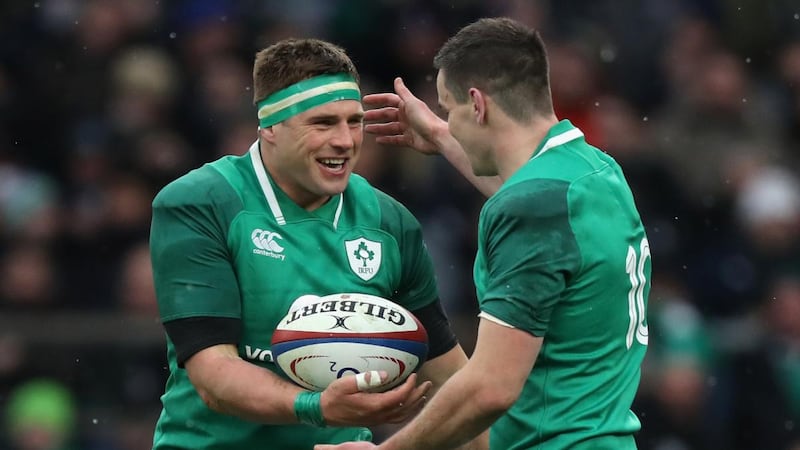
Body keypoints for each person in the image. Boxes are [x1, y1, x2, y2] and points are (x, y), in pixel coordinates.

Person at [317, 17, 651, 450]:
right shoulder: (597, 173)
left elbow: (491, 386)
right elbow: (536, 203)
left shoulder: (531, 207)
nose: (447, 122)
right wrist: (439, 135)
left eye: (448, 108)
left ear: (477, 104)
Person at [149, 37, 482, 449]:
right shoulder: (201, 202)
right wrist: (316, 407)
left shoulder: (389, 222)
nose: (345, 141)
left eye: (354, 121)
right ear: (270, 126)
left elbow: (453, 379)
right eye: (322, 123)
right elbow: (212, 374)